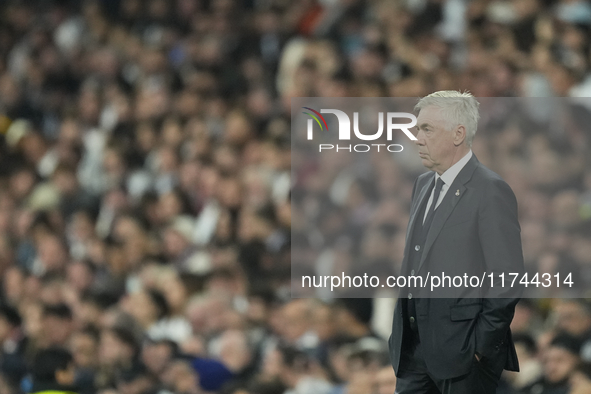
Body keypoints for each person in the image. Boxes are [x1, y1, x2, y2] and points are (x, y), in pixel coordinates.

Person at [388, 91, 524, 394]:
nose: (417, 138)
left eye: (427, 129)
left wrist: (480, 346)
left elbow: (508, 277)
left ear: (458, 134)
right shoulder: (423, 184)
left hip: (464, 354)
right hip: (414, 350)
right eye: (417, 129)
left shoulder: (490, 190)